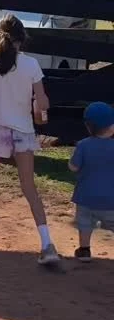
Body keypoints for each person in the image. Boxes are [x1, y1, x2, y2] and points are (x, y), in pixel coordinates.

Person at [0, 14, 59, 265]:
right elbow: (42, 102)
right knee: (29, 187)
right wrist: (38, 108)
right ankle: (47, 243)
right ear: (22, 38)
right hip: (22, 131)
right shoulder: (32, 65)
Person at [69, 101, 114, 261]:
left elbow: (74, 167)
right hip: (111, 199)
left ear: (88, 126)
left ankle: (84, 250)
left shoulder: (83, 145)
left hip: (85, 197)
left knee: (85, 224)